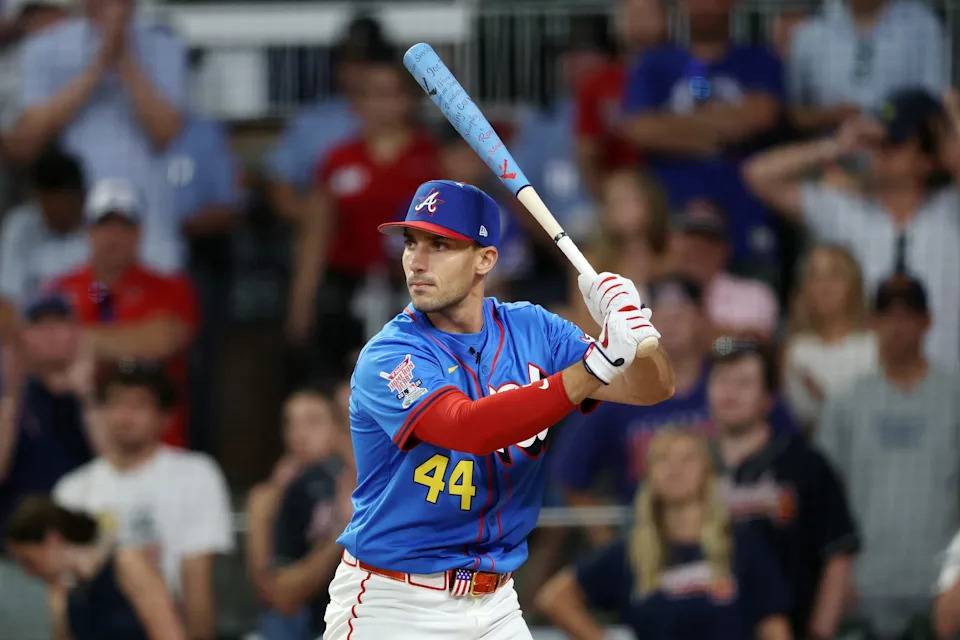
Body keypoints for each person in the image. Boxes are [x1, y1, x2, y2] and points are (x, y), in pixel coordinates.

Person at [322, 179, 672, 639]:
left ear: (485, 259)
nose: (416, 261)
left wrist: (634, 332)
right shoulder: (390, 355)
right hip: (395, 601)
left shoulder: (533, 328)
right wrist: (599, 363)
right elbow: (466, 428)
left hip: (496, 602)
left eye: (440, 244)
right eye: (411, 243)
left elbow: (651, 390)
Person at [744, 88, 960, 371]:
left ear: (929, 156)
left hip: (947, 385)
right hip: (863, 389)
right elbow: (758, 175)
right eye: (874, 143)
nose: (878, 153)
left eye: (892, 143)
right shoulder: (847, 211)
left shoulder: (950, 210)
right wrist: (836, 146)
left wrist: (949, 135)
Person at [537, 429, 792, 640]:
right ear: (649, 475)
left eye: (687, 458)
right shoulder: (630, 552)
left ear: (707, 471)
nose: (675, 468)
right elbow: (555, 598)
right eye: (663, 459)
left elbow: (773, 626)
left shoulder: (741, 543)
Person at [818, 273, 960, 638]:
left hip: (941, 588)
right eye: (888, 316)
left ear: (926, 322)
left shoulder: (955, 398)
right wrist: (835, 580)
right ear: (872, 323)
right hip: (863, 586)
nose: (898, 327)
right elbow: (823, 503)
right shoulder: (845, 402)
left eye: (908, 315)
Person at [287, 50, 441, 380]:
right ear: (357, 102)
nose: (380, 105)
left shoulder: (431, 158)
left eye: (389, 94)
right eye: (370, 95)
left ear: (408, 100)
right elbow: (316, 236)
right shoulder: (339, 159)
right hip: (348, 288)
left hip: (415, 288)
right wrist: (302, 303)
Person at [53, 363, 233, 640]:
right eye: (116, 404)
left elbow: (197, 583)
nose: (125, 416)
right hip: (94, 623)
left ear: (165, 417)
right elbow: (61, 591)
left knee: (130, 562)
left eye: (139, 405)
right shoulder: (73, 489)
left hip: (167, 621)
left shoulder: (195, 474)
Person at [11, 0, 188, 272]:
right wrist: (99, 63)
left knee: (143, 309)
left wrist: (124, 55)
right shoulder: (45, 48)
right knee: (90, 303)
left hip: (147, 221)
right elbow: (31, 135)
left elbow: (166, 132)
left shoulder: (164, 45)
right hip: (72, 222)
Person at [623, 0, 784, 275]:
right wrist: (723, 130)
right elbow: (641, 130)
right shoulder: (654, 64)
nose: (705, 6)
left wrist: (674, 126)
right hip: (669, 224)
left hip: (745, 221)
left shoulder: (760, 59)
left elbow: (763, 115)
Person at [711, 340, 860, 639]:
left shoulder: (806, 464)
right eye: (722, 380)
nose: (730, 392)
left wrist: (820, 631)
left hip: (794, 626)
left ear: (768, 398)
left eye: (744, 383)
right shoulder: (688, 465)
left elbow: (838, 554)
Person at [50, 177, 198, 447]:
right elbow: (41, 349)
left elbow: (162, 340)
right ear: (88, 231)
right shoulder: (61, 288)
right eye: (105, 225)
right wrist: (129, 340)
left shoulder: (170, 287)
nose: (114, 236)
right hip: (75, 436)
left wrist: (81, 341)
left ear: (140, 232)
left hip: (157, 442)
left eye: (125, 225)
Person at [553, 275, 712, 512]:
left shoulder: (728, 381)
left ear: (701, 319)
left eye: (680, 316)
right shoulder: (621, 388)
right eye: (662, 317)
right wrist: (608, 539)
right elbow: (569, 470)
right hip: (639, 529)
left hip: (719, 524)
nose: (670, 325)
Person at [0, 294, 93, 640]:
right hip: (15, 558)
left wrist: (87, 395)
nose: (51, 334)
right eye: (40, 325)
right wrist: (10, 394)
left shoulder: (103, 395)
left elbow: (115, 463)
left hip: (85, 556)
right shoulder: (11, 398)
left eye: (60, 324)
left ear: (77, 334)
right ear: (23, 337)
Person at [246, 386, 354, 640]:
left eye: (313, 422)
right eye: (290, 424)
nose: (298, 435)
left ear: (340, 428)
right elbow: (274, 593)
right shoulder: (273, 496)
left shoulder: (366, 480)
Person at [5, 495, 184, 640]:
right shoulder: (64, 593)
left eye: (28, 561)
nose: (27, 572)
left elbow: (168, 634)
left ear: (53, 539)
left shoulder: (126, 564)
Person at [265, 15, 384, 223]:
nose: (359, 71)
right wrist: (323, 226)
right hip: (332, 237)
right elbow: (281, 192)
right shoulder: (312, 122)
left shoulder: (407, 121)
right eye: (352, 61)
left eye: (369, 62)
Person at [788, 0, 946, 134]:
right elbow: (793, 114)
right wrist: (829, 116)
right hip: (826, 158)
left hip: (903, 160)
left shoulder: (924, 26)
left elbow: (933, 106)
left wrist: (886, 119)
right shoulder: (809, 32)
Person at [575, 0, 667, 197]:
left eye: (649, 15)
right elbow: (587, 152)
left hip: (675, 186)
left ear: (666, 21)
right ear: (618, 24)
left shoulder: (682, 72)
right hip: (620, 193)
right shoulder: (597, 82)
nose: (641, 24)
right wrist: (605, 201)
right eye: (634, 16)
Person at [783, 244, 877, 432]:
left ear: (854, 285)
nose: (824, 286)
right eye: (814, 276)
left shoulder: (876, 347)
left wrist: (826, 401)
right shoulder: (795, 350)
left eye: (834, 276)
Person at [564, 168, 670, 331]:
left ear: (649, 204)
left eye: (628, 201)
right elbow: (584, 325)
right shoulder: (589, 264)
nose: (621, 210)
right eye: (613, 203)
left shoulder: (672, 254)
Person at [0, 148, 88, 333]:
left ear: (80, 198)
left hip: (89, 328)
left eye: (63, 203)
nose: (56, 211)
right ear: (38, 198)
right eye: (48, 203)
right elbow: (6, 301)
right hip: (31, 333)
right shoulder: (21, 226)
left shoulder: (103, 227)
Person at [668, 198, 780, 340]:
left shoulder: (755, 295)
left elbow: (751, 347)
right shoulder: (659, 292)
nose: (695, 249)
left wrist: (704, 335)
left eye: (706, 242)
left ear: (724, 250)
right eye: (690, 240)